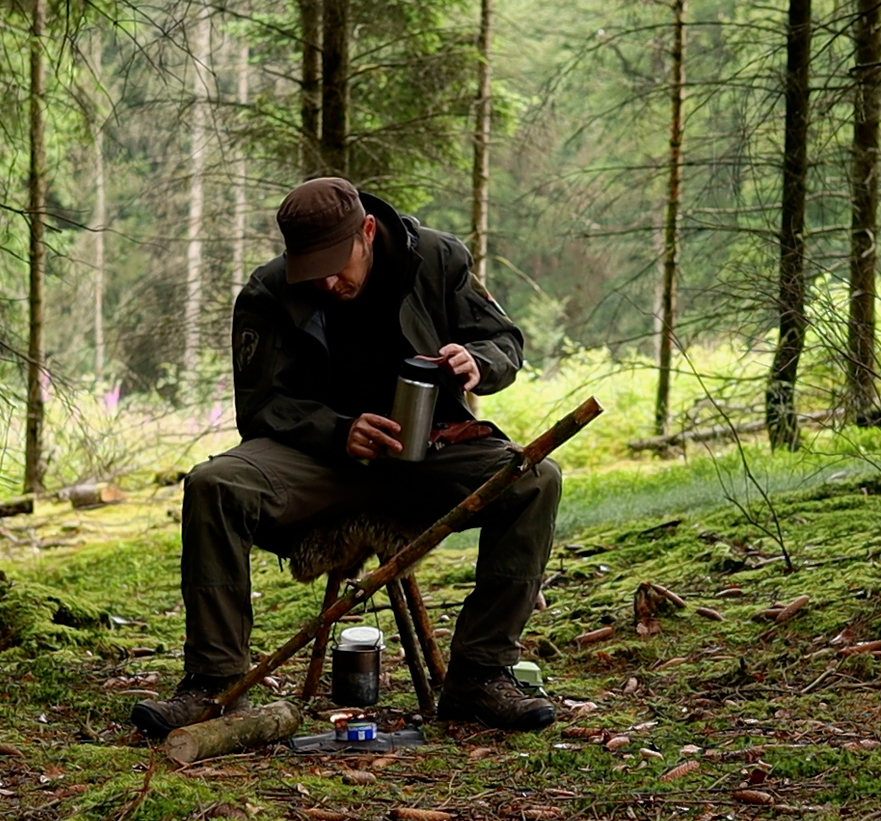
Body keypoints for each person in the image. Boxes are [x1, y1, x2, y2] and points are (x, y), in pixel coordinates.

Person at [131, 177, 561, 738]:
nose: (329, 282)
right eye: (313, 270)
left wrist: (478, 360)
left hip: (430, 452)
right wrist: (338, 432)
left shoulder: (436, 258)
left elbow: (505, 340)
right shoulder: (269, 292)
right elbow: (261, 405)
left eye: (338, 264)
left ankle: (480, 674)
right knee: (215, 484)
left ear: (367, 231)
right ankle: (214, 684)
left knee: (534, 480)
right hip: (319, 461)